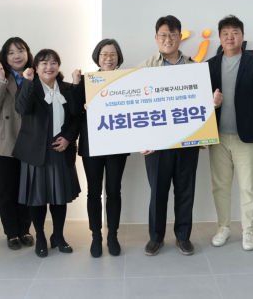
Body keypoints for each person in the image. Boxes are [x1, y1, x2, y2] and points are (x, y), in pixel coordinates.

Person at [206, 15, 253, 251]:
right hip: (217, 137)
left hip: (245, 136)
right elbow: (199, 102)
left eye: (235, 32)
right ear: (219, 37)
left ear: (243, 36)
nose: (230, 37)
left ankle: (249, 232)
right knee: (220, 186)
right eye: (225, 33)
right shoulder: (210, 65)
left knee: (248, 187)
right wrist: (211, 102)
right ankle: (223, 227)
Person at [137, 15, 199, 257]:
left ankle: (183, 236)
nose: (168, 39)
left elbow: (202, 104)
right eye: (163, 34)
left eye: (173, 34)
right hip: (156, 144)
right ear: (156, 38)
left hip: (187, 141)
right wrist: (141, 139)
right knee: (158, 192)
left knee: (185, 190)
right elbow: (136, 107)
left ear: (180, 37)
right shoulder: (145, 67)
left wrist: (203, 132)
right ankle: (156, 237)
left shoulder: (194, 67)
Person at [12, 49, 81, 258]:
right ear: (36, 67)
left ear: (58, 66)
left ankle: (58, 236)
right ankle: (40, 236)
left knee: (59, 198)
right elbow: (22, 109)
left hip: (61, 150)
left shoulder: (67, 88)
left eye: (53, 63)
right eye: (44, 63)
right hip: (35, 152)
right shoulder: (30, 86)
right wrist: (27, 82)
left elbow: (77, 116)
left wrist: (68, 138)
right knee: (38, 198)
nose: (49, 67)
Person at [70, 39, 129, 258]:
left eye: (113, 54)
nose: (108, 58)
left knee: (114, 191)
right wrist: (76, 84)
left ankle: (112, 235)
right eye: (104, 54)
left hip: (117, 144)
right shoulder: (87, 81)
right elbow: (74, 111)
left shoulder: (126, 80)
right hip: (92, 144)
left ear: (118, 57)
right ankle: (96, 236)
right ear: (98, 57)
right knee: (93, 192)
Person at [0, 37, 34, 250]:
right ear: (5, 56)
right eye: (11, 52)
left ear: (27, 53)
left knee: (27, 189)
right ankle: (11, 232)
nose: (16, 56)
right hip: (3, 140)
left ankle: (25, 229)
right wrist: (1, 79)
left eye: (20, 51)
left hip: (29, 140)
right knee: (6, 190)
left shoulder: (35, 73)